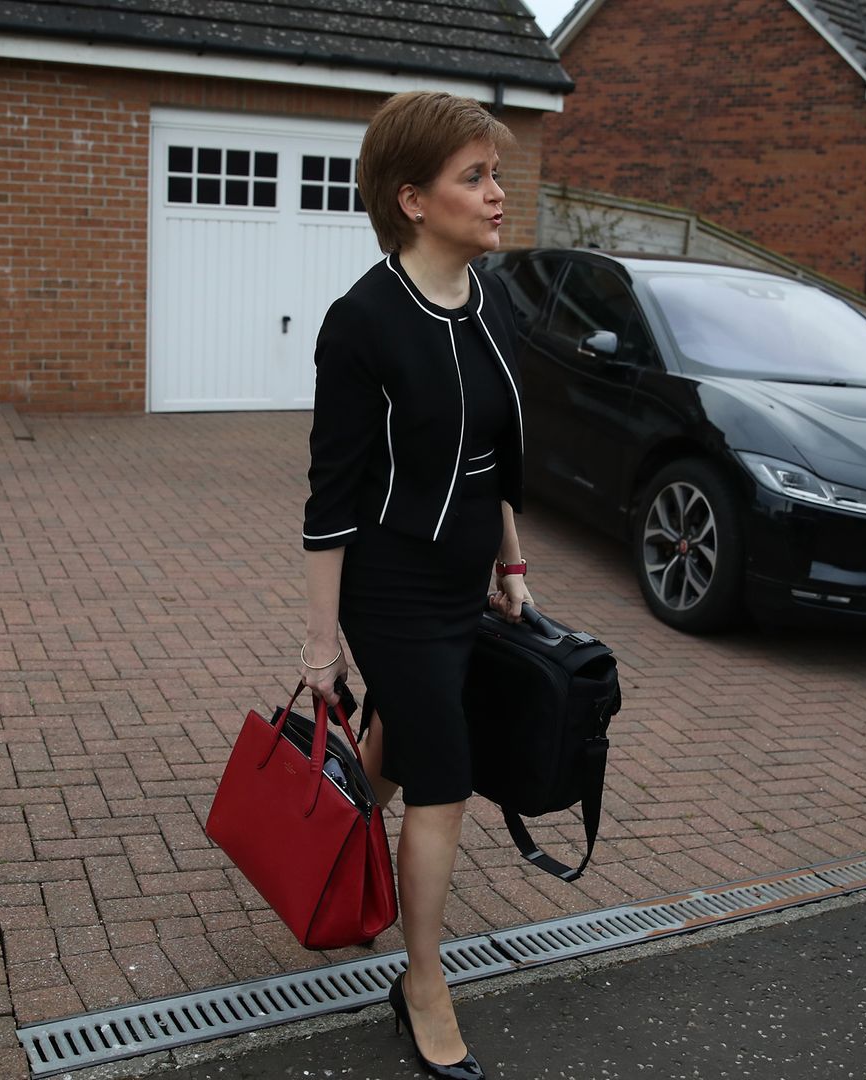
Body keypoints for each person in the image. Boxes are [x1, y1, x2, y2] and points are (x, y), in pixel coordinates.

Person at [297, 90, 527, 1080]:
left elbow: (495, 454)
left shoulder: (489, 302)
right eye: (473, 176)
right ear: (412, 198)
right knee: (444, 775)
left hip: (463, 577)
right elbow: (330, 495)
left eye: (495, 172)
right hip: (388, 586)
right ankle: (422, 981)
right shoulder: (362, 324)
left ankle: (322, 854)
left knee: (402, 747)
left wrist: (510, 558)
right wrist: (320, 642)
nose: (496, 193)